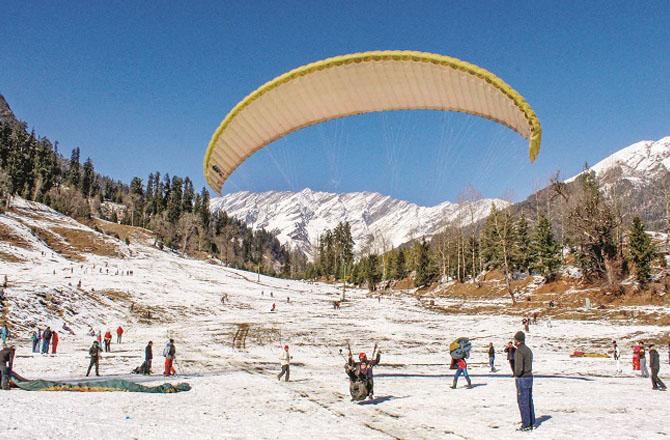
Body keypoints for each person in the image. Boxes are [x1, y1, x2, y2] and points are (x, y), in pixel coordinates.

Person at [513, 331, 535, 431]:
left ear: (517, 340)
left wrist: (516, 374)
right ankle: (531, 422)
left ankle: (526, 425)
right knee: (529, 401)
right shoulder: (528, 350)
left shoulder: (519, 351)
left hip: (522, 378)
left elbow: (519, 369)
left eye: (514, 339)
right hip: (530, 377)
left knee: (522, 402)